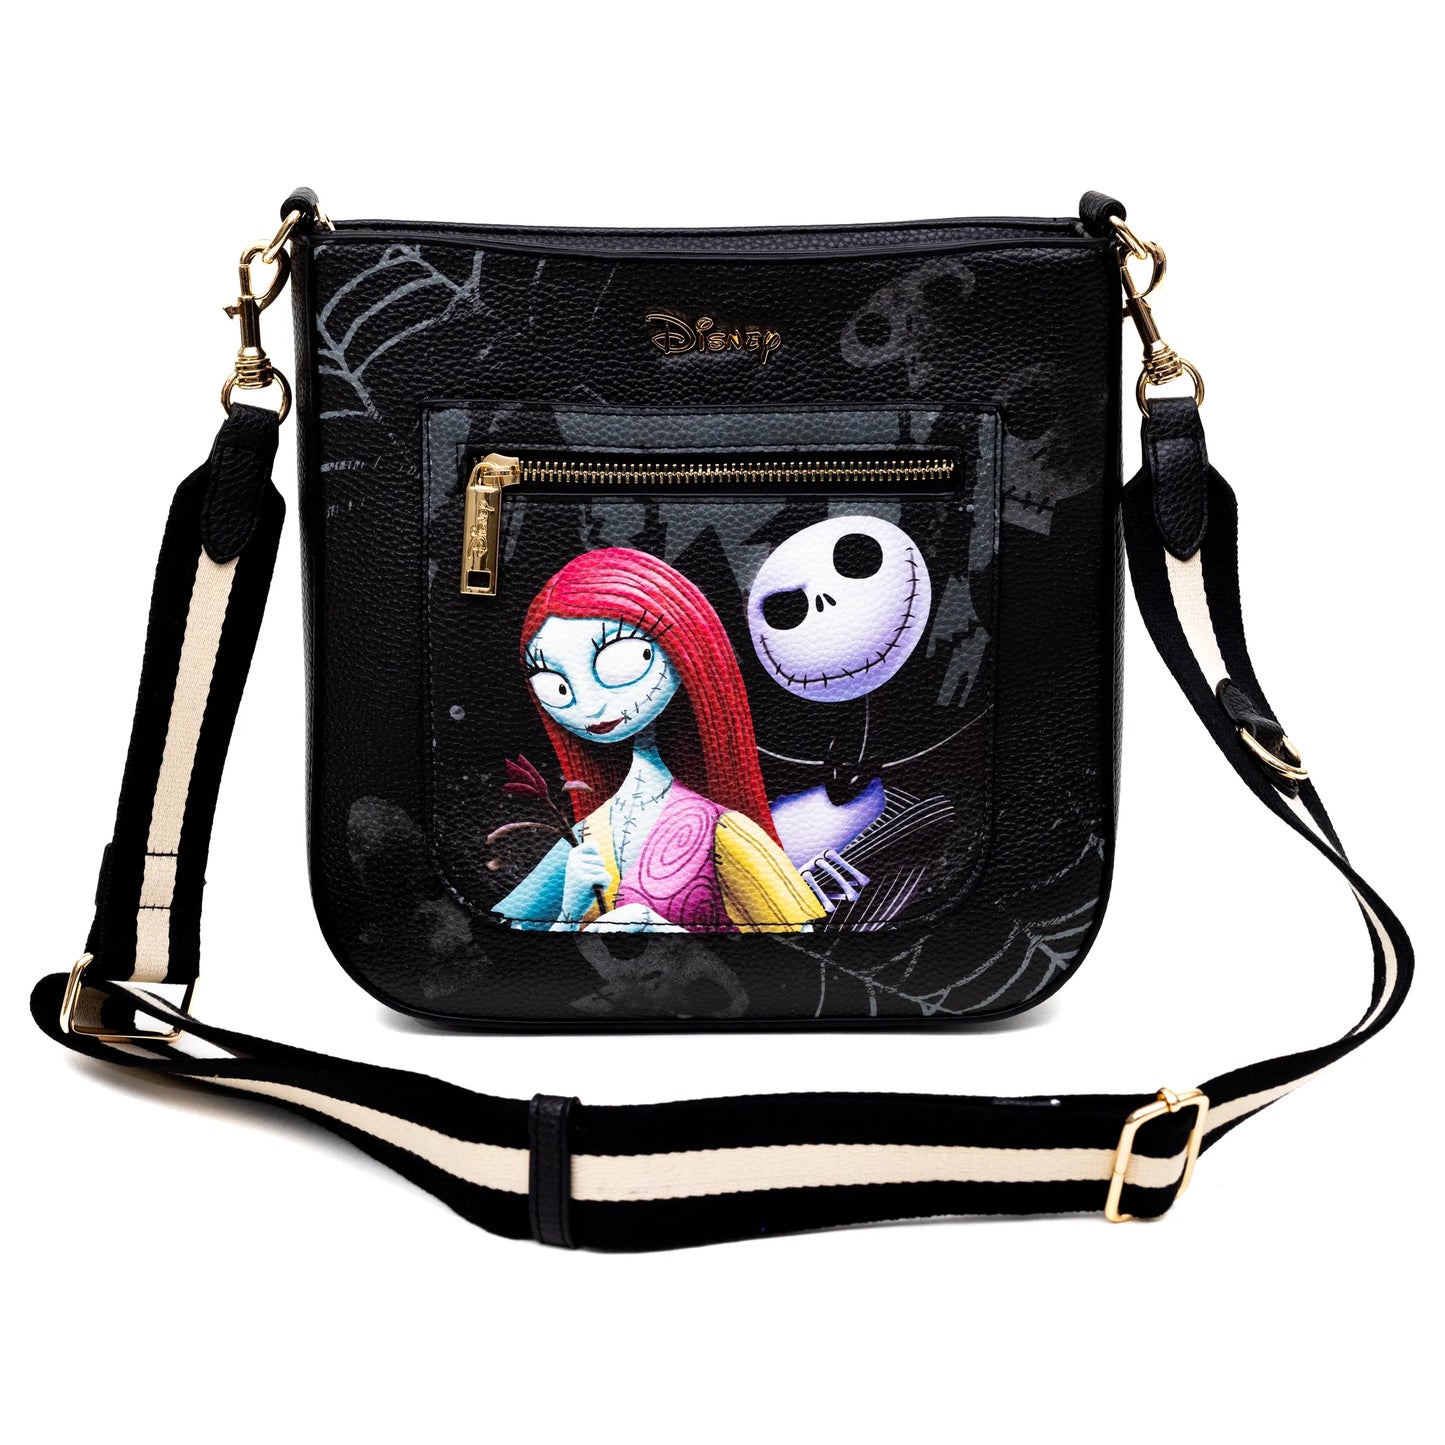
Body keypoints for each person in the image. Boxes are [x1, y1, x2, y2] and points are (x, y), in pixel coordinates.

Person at [493, 547, 823, 934]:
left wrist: (663, 931)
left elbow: (798, 948)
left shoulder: (720, 829)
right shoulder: (586, 835)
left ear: (686, 647)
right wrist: (569, 913)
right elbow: (505, 941)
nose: (591, 705)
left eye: (618, 662)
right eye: (557, 687)